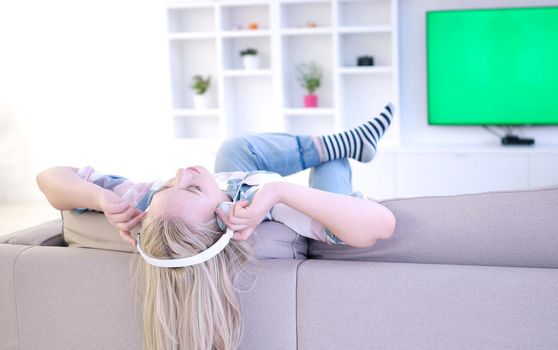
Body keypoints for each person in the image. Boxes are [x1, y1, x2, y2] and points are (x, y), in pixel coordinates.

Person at [36, 103, 397, 350]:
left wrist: (99, 199)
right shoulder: (258, 210)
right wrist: (279, 191)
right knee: (332, 172)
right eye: (192, 187)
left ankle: (342, 142)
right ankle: (343, 146)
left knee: (232, 149)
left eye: (167, 184)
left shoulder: (145, 204)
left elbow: (49, 179)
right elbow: (381, 225)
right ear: (222, 218)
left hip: (239, 175)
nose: (182, 173)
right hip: (286, 196)